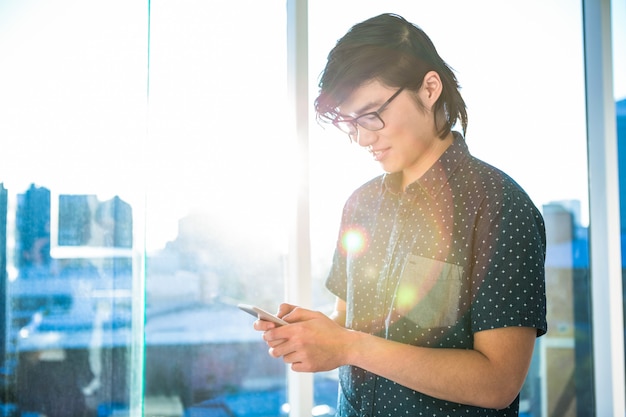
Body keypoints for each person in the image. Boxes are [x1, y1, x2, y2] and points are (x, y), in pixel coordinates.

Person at [254, 13, 547, 416]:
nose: (361, 138)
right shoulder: (360, 204)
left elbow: (498, 381)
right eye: (350, 123)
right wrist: (311, 333)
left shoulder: (499, 206)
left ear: (429, 89)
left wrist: (349, 346)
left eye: (371, 115)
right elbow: (347, 319)